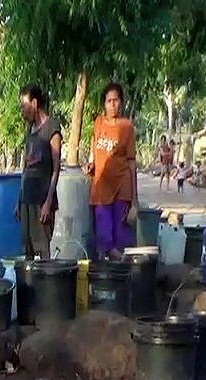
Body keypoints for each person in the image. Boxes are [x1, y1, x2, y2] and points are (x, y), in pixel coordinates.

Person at [85, 83, 138, 261]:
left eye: (116, 100)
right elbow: (94, 149)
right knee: (104, 239)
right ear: (104, 104)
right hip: (101, 188)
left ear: (121, 102)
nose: (113, 104)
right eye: (109, 101)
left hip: (122, 188)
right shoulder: (98, 123)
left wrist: (134, 200)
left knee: (120, 240)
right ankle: (117, 267)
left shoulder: (127, 127)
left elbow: (131, 162)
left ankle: (121, 272)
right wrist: (91, 164)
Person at [15, 84, 62, 260]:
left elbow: (56, 169)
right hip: (27, 199)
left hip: (42, 201)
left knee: (42, 251)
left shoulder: (52, 129)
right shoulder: (30, 130)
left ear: (34, 103)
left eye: (24, 106)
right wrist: (19, 200)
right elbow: (25, 168)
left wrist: (48, 202)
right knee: (27, 251)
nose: (23, 111)